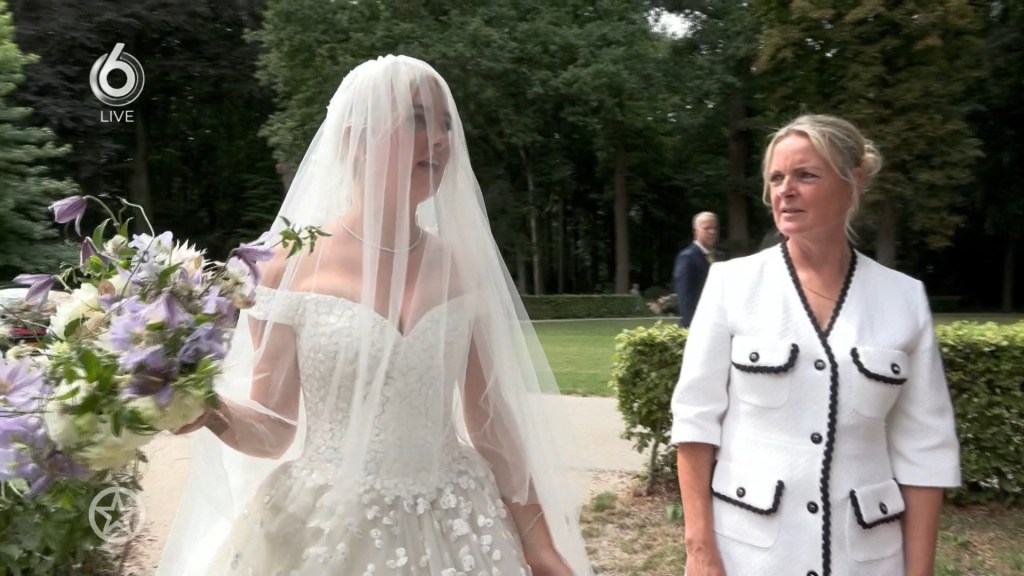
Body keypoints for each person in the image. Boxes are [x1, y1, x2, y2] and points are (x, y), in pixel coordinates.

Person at [157, 55, 591, 576]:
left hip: (459, 525)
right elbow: (274, 428)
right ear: (354, 141)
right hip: (327, 533)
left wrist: (539, 544)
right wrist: (212, 411)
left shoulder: (463, 270)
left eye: (446, 124)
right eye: (417, 119)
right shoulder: (286, 268)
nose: (439, 140)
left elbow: (492, 421)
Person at [670, 114, 960, 576]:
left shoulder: (903, 299)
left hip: (865, 559)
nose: (785, 190)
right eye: (776, 178)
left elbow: (925, 450)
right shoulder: (732, 284)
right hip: (749, 555)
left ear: (853, 183)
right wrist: (699, 549)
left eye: (806, 175)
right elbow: (694, 421)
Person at [673, 212, 720, 328]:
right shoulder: (687, 257)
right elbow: (685, 296)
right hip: (700, 325)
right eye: (707, 228)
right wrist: (692, 326)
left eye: (714, 228)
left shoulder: (720, 257)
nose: (712, 232)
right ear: (695, 231)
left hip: (719, 323)